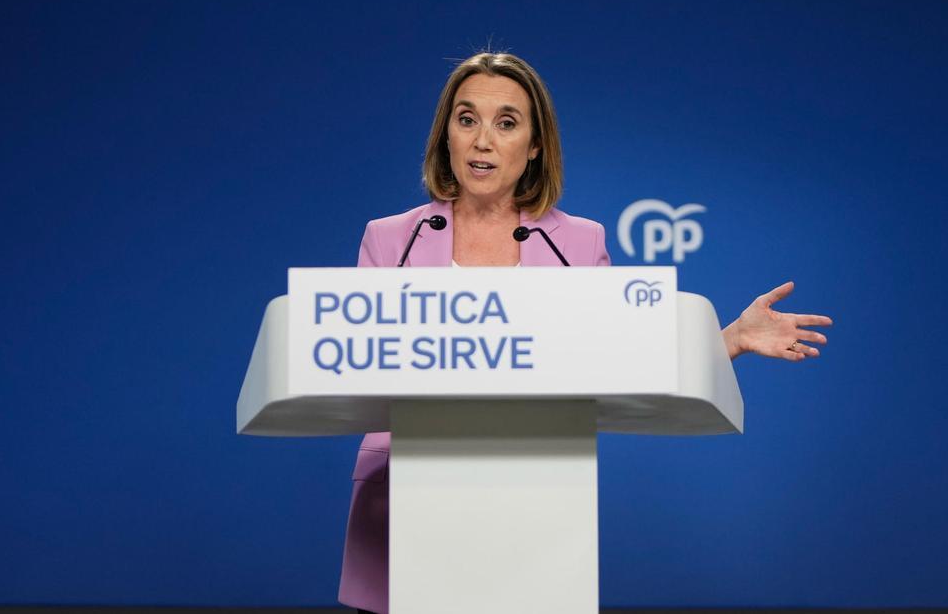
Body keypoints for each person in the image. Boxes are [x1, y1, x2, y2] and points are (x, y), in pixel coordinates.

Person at [338, 52, 833, 614]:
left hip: (533, 504)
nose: (482, 141)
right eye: (466, 118)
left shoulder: (575, 244)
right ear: (445, 134)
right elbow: (357, 365)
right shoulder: (390, 240)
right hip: (404, 503)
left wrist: (731, 339)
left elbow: (628, 358)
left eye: (506, 123)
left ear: (534, 146)